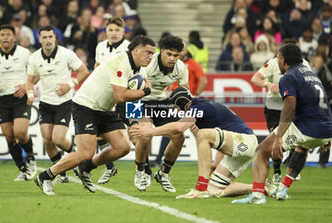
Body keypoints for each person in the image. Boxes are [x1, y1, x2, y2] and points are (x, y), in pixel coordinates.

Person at [34, 35, 155, 195]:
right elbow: (121, 96)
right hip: (86, 106)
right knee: (85, 153)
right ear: (135, 50)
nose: (151, 57)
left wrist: (133, 122)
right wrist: (146, 90)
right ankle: (45, 176)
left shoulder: (141, 70)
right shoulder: (120, 62)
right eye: (148, 52)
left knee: (123, 147)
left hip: (106, 109)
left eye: (153, 53)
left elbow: (135, 96)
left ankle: (85, 168)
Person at [232, 44, 332, 204]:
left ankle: (257, 196)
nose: (277, 60)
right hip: (325, 128)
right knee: (302, 148)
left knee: (261, 151)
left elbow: (289, 107)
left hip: (306, 126)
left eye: (278, 57)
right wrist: (326, 135)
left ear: (283, 59)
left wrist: (279, 137)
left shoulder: (289, 76)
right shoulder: (310, 74)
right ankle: (283, 189)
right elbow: (325, 103)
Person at [130, 87, 263, 198]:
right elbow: (224, 134)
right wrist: (215, 164)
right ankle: (260, 189)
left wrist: (150, 131)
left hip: (246, 141)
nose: (175, 111)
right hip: (241, 144)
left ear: (180, 104)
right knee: (215, 190)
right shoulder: (203, 106)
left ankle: (200, 187)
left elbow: (179, 128)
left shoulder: (196, 106)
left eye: (175, 107)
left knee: (202, 135)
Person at [27, 25, 89, 183]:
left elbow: (84, 70)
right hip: (46, 103)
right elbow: (30, 80)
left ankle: (75, 155)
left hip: (64, 102)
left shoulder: (66, 54)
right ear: (39, 39)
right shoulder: (34, 58)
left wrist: (71, 83)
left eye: (50, 37)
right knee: (47, 140)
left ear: (55, 38)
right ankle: (61, 173)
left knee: (58, 139)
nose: (48, 40)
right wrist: (29, 93)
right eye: (44, 37)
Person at [132, 35, 188, 192]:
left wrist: (187, 117)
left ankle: (163, 174)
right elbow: (131, 88)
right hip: (139, 99)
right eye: (169, 54)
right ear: (161, 51)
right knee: (144, 134)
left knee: (179, 135)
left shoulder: (181, 68)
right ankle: (140, 170)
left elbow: (185, 94)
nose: (172, 58)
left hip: (161, 102)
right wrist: (131, 116)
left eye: (176, 55)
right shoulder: (147, 65)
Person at [0, 24, 37, 181]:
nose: (5, 37)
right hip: (3, 98)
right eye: (2, 35)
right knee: (9, 136)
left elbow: (36, 73)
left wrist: (26, 87)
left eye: (8, 34)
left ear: (14, 37)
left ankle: (31, 159)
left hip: (20, 97)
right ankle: (22, 169)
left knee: (20, 132)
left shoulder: (25, 54)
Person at [250, 38, 308, 184]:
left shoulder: (304, 64)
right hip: (274, 107)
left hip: (293, 106)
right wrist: (268, 84)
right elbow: (255, 79)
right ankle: (276, 171)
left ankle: (291, 161)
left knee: (296, 138)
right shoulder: (274, 63)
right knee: (275, 139)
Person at [151, 43, 208, 168]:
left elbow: (203, 80)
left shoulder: (192, 64)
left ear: (185, 50)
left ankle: (204, 158)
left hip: (187, 103)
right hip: (174, 102)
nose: (180, 52)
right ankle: (159, 158)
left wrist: (195, 95)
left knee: (196, 131)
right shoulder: (170, 66)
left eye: (181, 50)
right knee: (172, 129)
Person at [94, 16, 130, 185]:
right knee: (99, 134)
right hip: (106, 97)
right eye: (110, 30)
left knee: (139, 134)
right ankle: (109, 167)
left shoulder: (129, 47)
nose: (113, 33)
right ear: (106, 31)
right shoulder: (100, 46)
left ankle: (142, 170)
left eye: (117, 30)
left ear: (123, 31)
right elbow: (96, 68)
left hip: (126, 96)